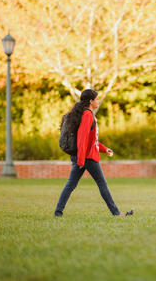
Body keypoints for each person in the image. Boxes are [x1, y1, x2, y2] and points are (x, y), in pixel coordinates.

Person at [54, 89, 133, 217]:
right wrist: (80, 160)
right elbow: (82, 138)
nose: (98, 101)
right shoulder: (87, 115)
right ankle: (116, 213)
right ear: (91, 101)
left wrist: (104, 149)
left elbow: (91, 140)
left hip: (83, 156)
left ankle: (58, 213)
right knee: (101, 184)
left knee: (70, 185)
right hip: (87, 157)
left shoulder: (87, 114)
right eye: (97, 99)